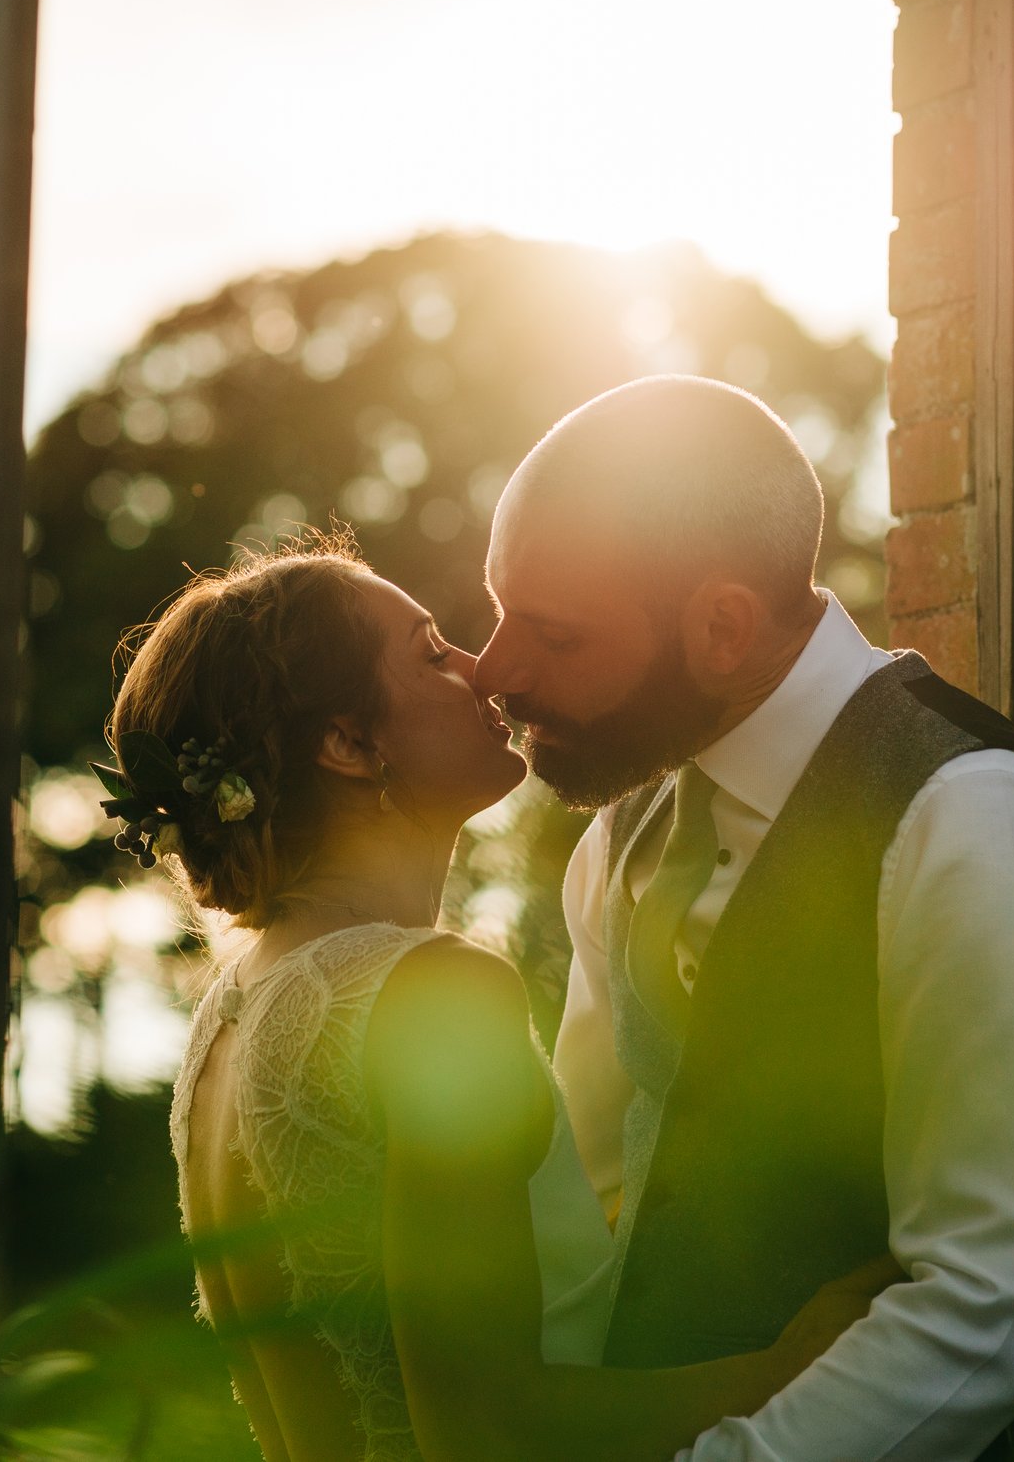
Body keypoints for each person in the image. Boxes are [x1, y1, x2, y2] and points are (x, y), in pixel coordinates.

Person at [114, 536, 888, 1462]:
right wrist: (789, 1363)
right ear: (349, 743)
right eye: (434, 652)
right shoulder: (436, 993)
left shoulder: (229, 1016)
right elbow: (492, 1431)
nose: (482, 670)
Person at [472, 375, 1014, 1462]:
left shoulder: (969, 818)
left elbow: (992, 1300)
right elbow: (586, 1225)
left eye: (554, 636)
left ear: (722, 626)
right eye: (496, 613)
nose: (494, 671)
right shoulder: (620, 839)